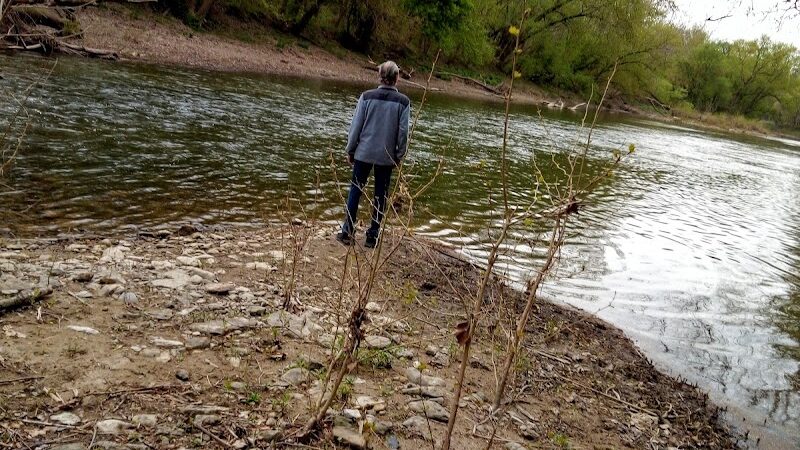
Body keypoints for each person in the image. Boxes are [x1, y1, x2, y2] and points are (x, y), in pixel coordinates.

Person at [336, 61, 410, 248]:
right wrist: (399, 155)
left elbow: (356, 127)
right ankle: (372, 236)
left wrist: (350, 150)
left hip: (364, 152)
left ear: (380, 77)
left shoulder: (366, 97)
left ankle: (347, 232)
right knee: (380, 195)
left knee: (355, 190)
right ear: (397, 78)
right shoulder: (403, 102)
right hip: (386, 156)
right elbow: (403, 133)